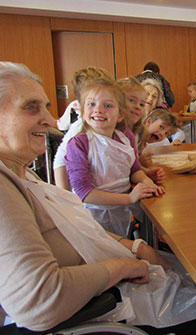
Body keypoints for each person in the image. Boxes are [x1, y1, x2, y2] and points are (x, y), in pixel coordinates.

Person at [0, 62, 196, 335]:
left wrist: (136, 247)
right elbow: (39, 303)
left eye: (45, 107)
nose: (49, 120)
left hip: (99, 279)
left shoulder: (16, 171)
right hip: (77, 316)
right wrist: (124, 266)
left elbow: (76, 229)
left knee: (193, 274)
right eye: (30, 107)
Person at [65, 77, 164, 237]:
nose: (98, 110)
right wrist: (129, 198)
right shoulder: (78, 144)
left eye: (108, 106)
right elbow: (84, 193)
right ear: (83, 112)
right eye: (91, 104)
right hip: (92, 217)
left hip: (122, 212)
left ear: (120, 115)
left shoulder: (127, 137)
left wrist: (148, 183)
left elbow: (134, 170)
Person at [54, 66, 114, 190]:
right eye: (92, 103)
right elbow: (60, 160)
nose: (99, 109)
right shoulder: (80, 127)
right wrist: (66, 198)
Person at [141, 78, 185, 146]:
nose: (150, 98)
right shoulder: (131, 118)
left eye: (154, 96)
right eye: (147, 94)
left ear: (157, 102)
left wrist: (176, 140)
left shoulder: (157, 116)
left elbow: (178, 132)